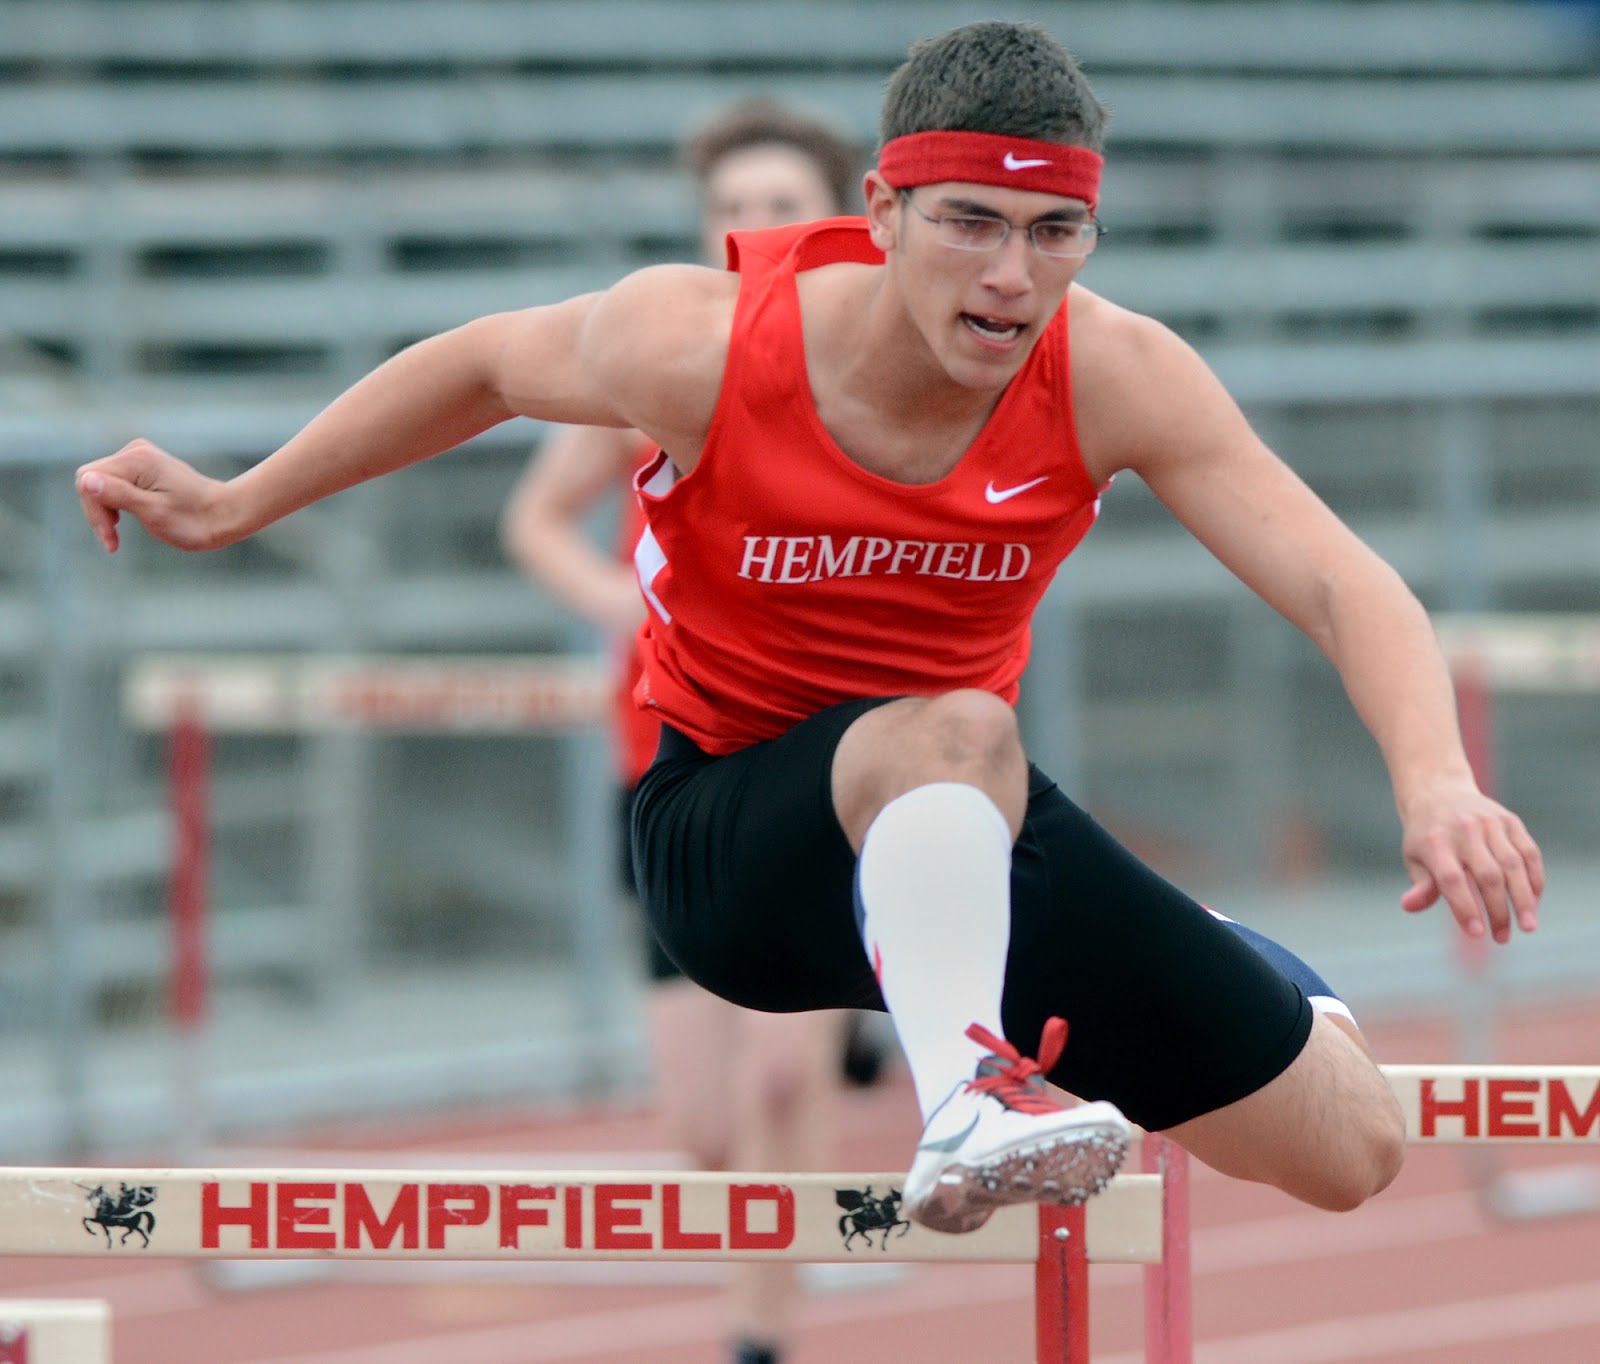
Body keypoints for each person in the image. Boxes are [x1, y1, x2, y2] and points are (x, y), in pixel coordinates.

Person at [77, 20, 1544, 1242]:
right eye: (971, 224)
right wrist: (235, 503)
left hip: (959, 834)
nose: (1009, 280)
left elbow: (1345, 581)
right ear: (883, 211)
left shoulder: (1120, 376)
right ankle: (967, 1094)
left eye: (1055, 234)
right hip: (728, 839)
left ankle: (1152, 974)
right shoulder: (703, 338)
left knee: (1353, 1149)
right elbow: (480, 369)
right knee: (956, 726)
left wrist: (1434, 781)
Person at [500, 99, 870, 1364]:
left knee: (778, 1086)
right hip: (664, 758)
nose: (753, 228)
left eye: (782, 206)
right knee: (704, 1128)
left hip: (818, 760)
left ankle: (758, 1337)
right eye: (732, 207)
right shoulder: (657, 360)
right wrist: (616, 601)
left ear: (845, 221)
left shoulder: (871, 369)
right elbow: (537, 519)